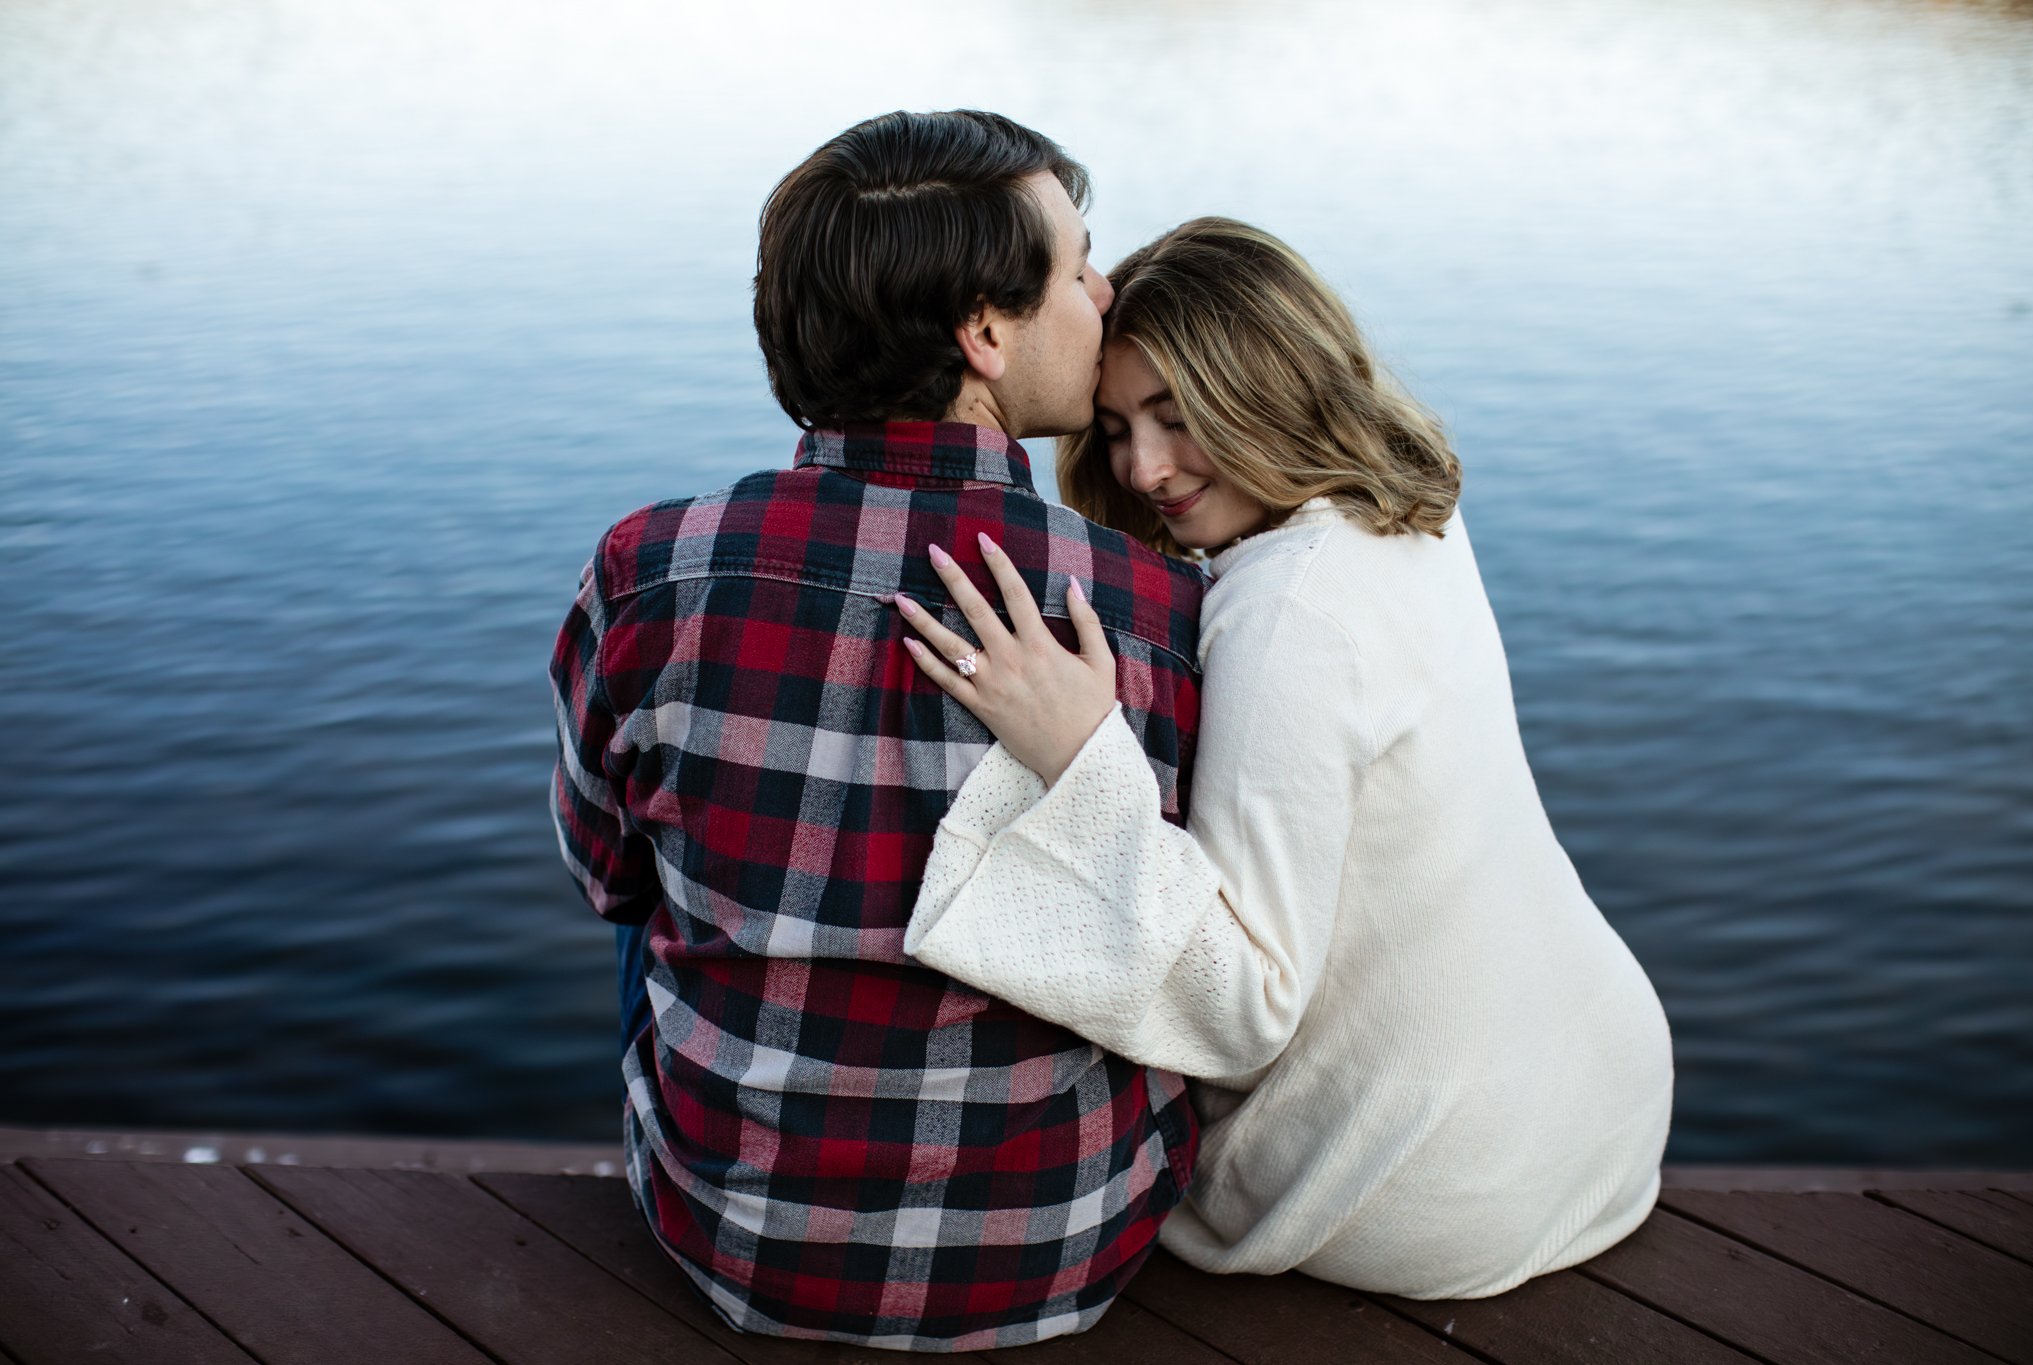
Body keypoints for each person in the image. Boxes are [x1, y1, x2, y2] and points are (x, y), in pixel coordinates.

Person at [894, 217, 1675, 1300]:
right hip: (1601, 1103)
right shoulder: (1404, 520)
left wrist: (1081, 758)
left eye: (1177, 417)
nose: (1142, 468)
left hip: (1415, 1184)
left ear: (1266, 383)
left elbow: (1243, 1001)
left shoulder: (1286, 608)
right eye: (1117, 426)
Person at [548, 112, 1209, 1350]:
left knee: (647, 902)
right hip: (1058, 1252)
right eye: (1076, 267)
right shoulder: (1155, 610)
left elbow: (603, 875)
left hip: (733, 1244)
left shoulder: (649, 570)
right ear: (984, 331)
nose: (1105, 292)